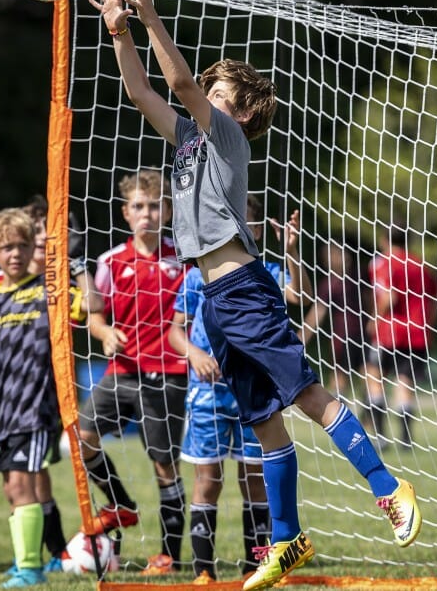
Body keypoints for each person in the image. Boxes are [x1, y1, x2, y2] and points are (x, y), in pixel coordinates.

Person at [89, 0, 422, 591]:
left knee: (305, 395)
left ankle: (388, 486)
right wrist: (119, 32)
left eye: (215, 94)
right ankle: (288, 538)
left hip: (243, 288)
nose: (200, 99)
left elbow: (180, 81)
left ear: (237, 113)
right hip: (216, 301)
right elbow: (140, 91)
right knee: (264, 420)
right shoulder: (189, 138)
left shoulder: (227, 140)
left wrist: (152, 18)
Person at [169, 194, 309, 583]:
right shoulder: (199, 274)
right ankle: (203, 572)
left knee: (254, 479)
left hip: (254, 392)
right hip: (209, 392)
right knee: (208, 479)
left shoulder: (266, 271)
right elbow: (174, 331)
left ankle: (259, 564)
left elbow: (300, 295)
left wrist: (292, 251)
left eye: (241, 222)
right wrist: (195, 353)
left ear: (255, 229)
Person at [0, 207, 84, 588]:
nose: (14, 254)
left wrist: (76, 267)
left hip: (34, 412)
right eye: (5, 248)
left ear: (34, 247)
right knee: (10, 488)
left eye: (21, 246)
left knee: (23, 485)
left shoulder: (49, 294)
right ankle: (23, 563)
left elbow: (92, 307)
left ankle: (31, 568)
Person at [79, 168, 187, 575]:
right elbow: (94, 316)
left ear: (167, 211)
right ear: (126, 213)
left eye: (155, 205)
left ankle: (170, 555)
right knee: (81, 438)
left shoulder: (183, 257)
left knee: (165, 465)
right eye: (139, 206)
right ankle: (120, 503)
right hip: (120, 372)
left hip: (168, 373)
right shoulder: (110, 262)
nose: (147, 213)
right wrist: (105, 333)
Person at [0, 195, 102, 574]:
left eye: (40, 237)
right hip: (5, 402)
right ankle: (44, 553)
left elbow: (92, 305)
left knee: (33, 477)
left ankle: (45, 556)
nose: (36, 245)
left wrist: (76, 260)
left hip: (43, 396)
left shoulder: (53, 286)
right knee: (21, 482)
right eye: (32, 235)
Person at [365, 222, 437, 449]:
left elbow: (390, 297)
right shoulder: (421, 265)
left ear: (383, 240)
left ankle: (380, 437)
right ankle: (406, 439)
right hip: (417, 333)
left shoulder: (385, 264)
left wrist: (374, 318)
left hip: (390, 332)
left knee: (374, 378)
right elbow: (435, 300)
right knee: (405, 383)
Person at [300, 238, 369, 403]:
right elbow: (317, 313)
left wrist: (375, 322)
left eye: (342, 254)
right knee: (339, 378)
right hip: (341, 337)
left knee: (369, 376)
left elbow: (370, 301)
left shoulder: (359, 276)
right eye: (333, 255)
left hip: (364, 335)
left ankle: (371, 419)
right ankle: (341, 418)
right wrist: (300, 338)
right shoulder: (328, 285)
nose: (341, 258)